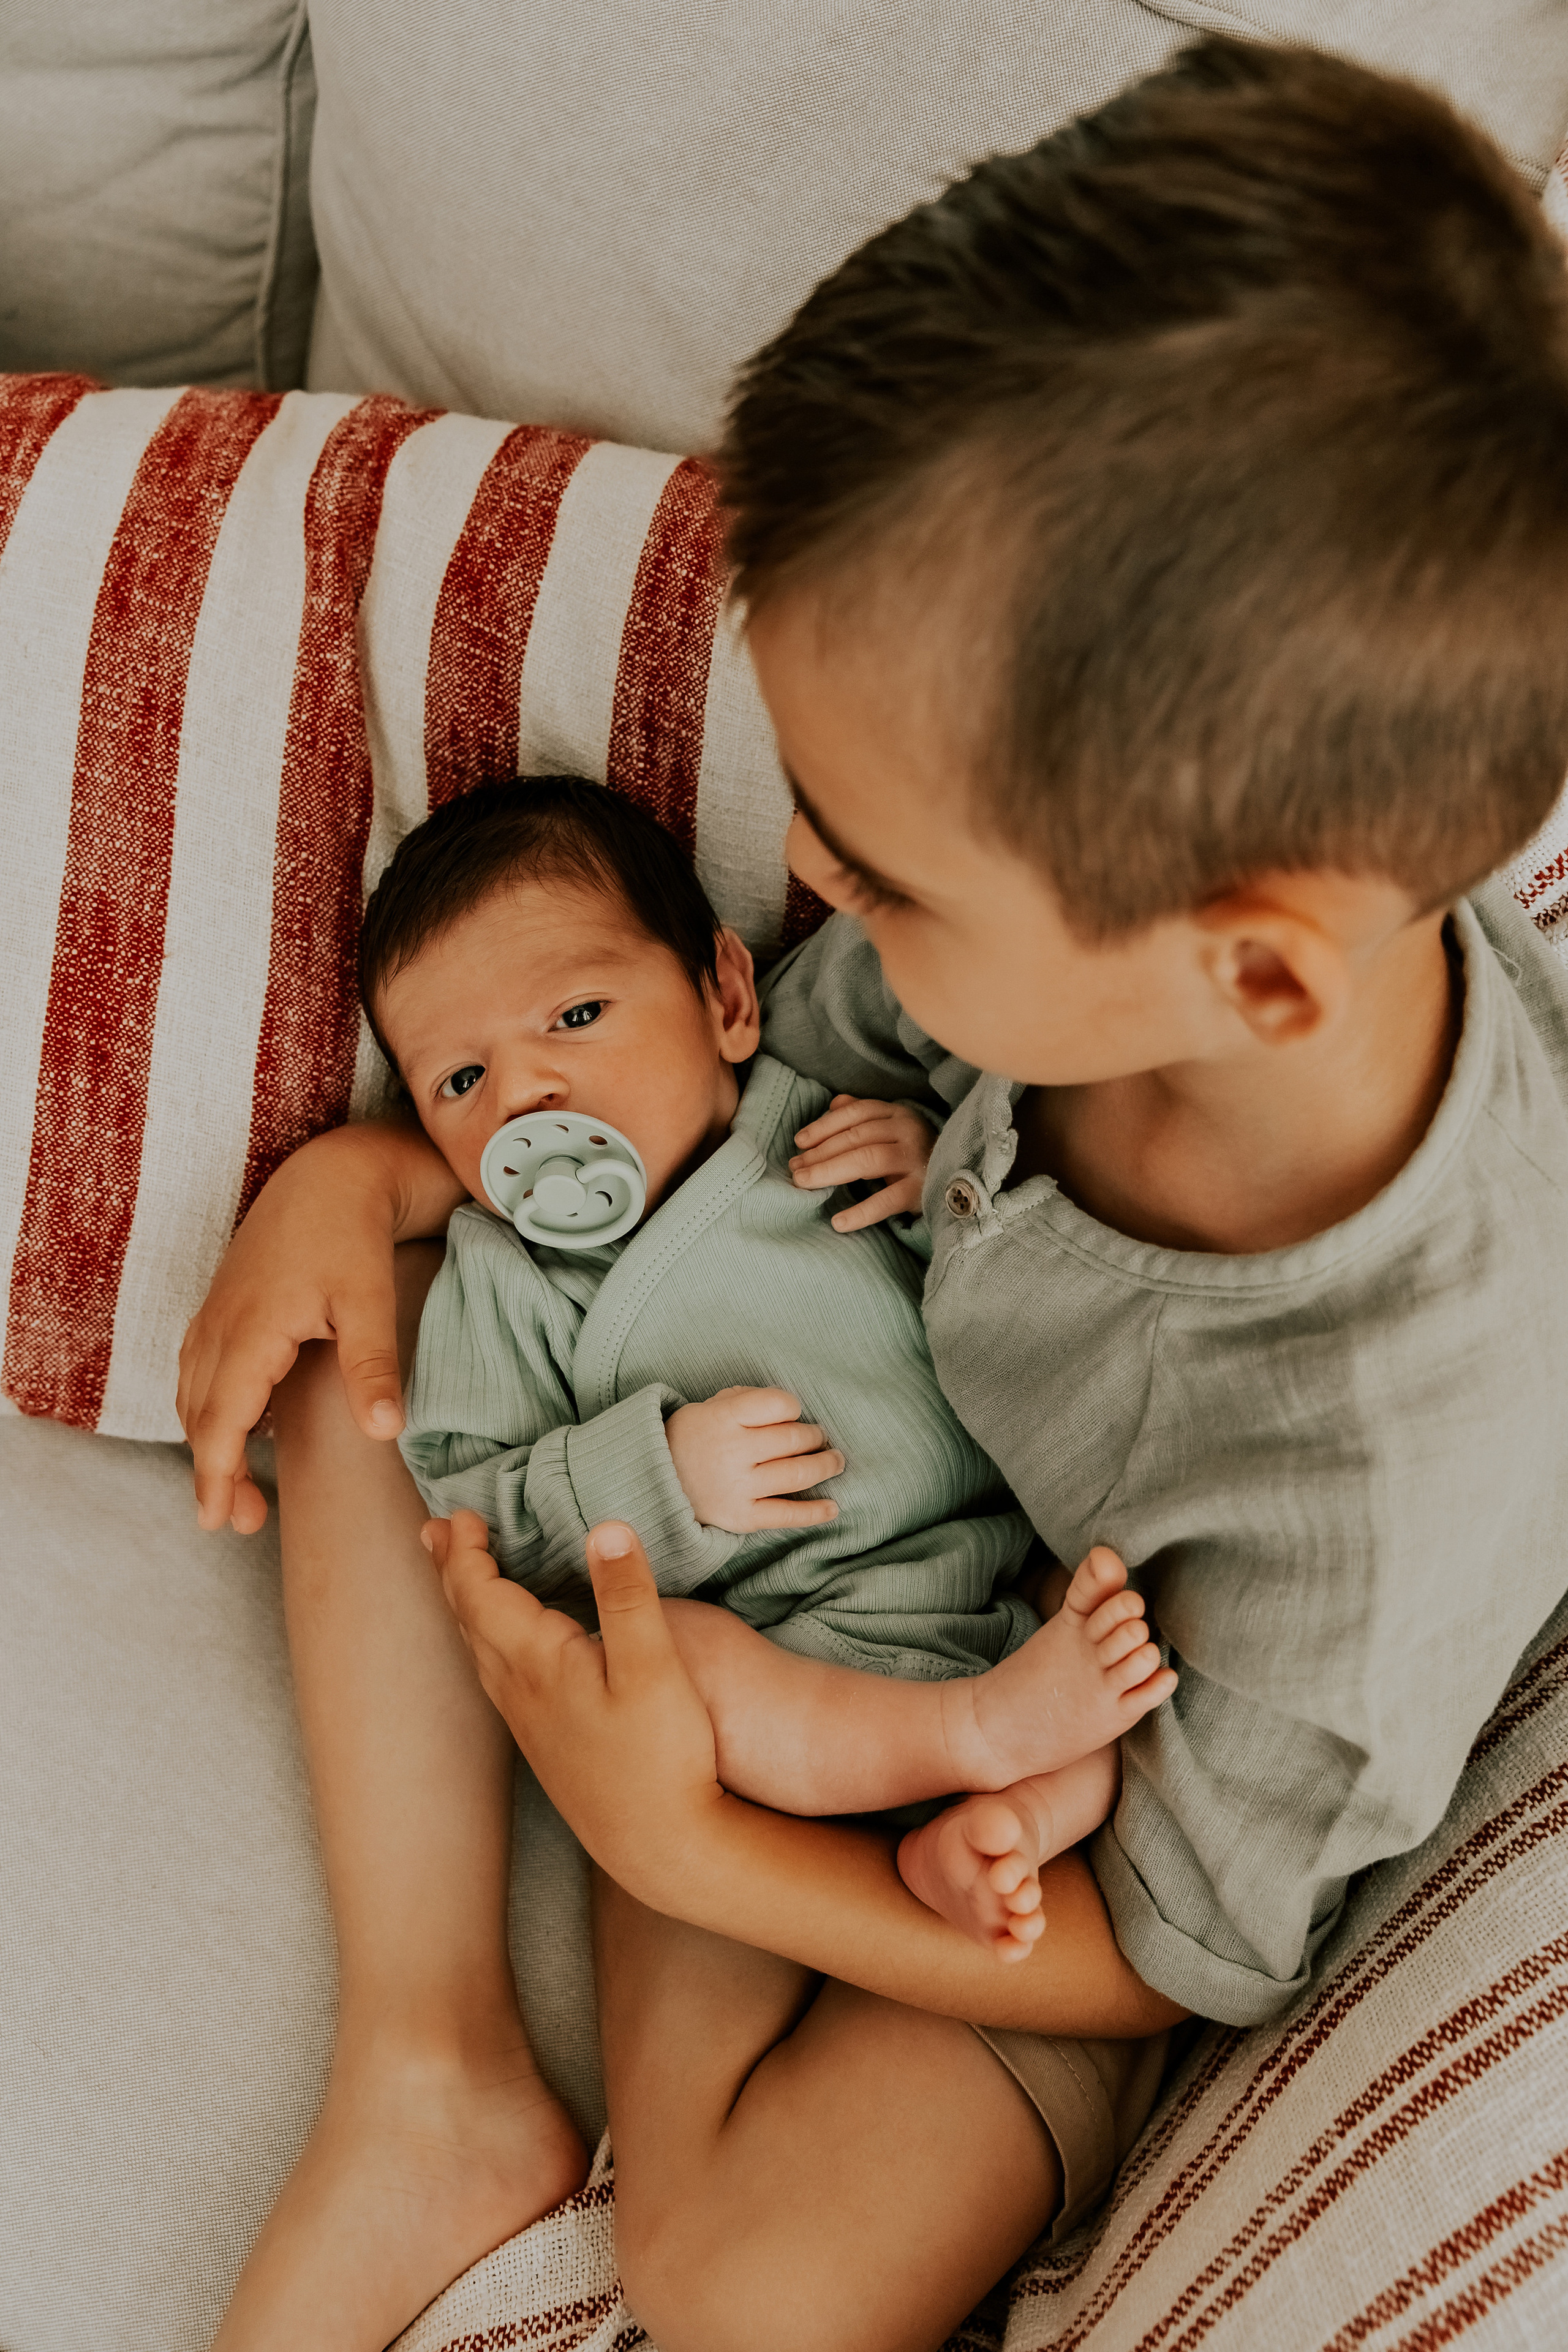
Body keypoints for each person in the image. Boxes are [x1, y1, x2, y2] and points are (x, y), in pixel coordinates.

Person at [179, 36, 1568, 2352]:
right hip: (812, 1495)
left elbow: (1169, 1948)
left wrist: (687, 1836)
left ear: (1243, 966)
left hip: (1042, 1800)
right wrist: (381, 1163)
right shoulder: (1092, 963)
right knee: (354, 1336)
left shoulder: (1387, 1467)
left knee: (757, 2292)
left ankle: (632, 1896)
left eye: (888, 876)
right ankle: (430, 2061)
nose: (812, 885)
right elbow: (713, 1115)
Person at [369, 774, 1174, 1946]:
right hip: (783, 1662)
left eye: (576, 1016)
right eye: (460, 1080)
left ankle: (999, 1830)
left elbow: (1013, 1306)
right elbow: (477, 1524)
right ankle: (969, 1746)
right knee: (678, 1661)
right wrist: (661, 1476)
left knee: (1111, 1654)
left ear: (728, 1000)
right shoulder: (507, 1277)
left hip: (985, 1583)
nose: (525, 1093)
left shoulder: (828, 1125)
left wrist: (937, 1179)